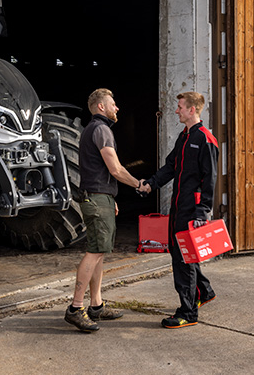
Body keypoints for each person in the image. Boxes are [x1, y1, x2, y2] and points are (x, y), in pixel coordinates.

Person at [64, 88, 144, 332]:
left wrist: (109, 197)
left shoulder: (93, 130)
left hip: (99, 197)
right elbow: (115, 169)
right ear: (101, 106)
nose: (116, 108)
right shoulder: (101, 130)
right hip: (97, 199)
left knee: (98, 251)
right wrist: (139, 184)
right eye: (113, 104)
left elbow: (97, 170)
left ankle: (96, 305)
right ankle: (76, 308)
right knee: (94, 252)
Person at [138, 91, 219, 329]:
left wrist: (202, 212)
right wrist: (151, 184)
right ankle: (204, 292)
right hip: (178, 206)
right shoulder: (184, 137)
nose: (177, 111)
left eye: (180, 107)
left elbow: (210, 179)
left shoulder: (205, 139)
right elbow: (170, 166)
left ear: (192, 109)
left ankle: (187, 312)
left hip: (192, 210)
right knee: (181, 252)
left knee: (183, 258)